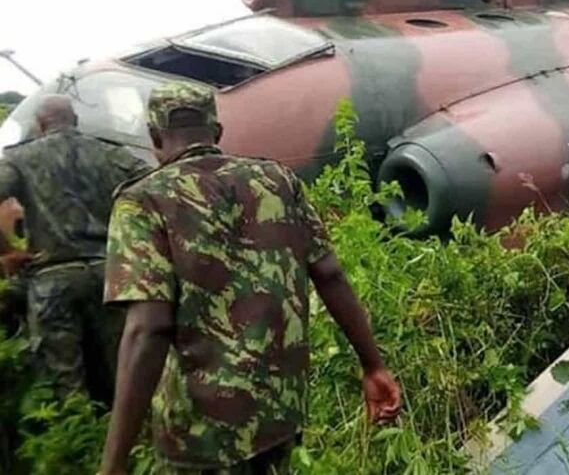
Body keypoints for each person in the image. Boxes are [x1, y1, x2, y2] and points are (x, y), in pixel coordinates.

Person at [99, 82, 401, 475]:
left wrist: (113, 462)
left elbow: (148, 328)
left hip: (202, 435)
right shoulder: (276, 179)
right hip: (279, 413)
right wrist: (373, 366)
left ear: (155, 138)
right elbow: (329, 273)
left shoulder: (143, 201)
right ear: (217, 131)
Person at [0, 95, 149, 404]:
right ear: (76, 121)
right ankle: (131, 431)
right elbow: (158, 189)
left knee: (63, 381)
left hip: (53, 280)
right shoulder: (111, 153)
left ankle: (76, 430)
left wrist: (7, 252)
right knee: (124, 374)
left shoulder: (20, 158)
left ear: (40, 124)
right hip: (112, 275)